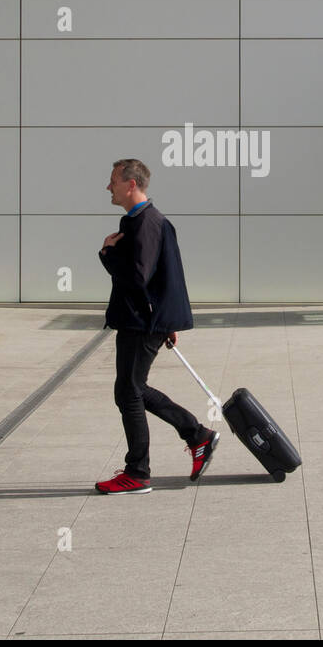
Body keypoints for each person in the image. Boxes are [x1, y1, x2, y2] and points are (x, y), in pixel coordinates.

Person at [96, 159, 218, 494]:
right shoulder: (141, 220)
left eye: (113, 181)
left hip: (140, 321)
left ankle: (138, 473)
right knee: (133, 389)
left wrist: (108, 253)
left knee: (129, 392)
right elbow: (164, 275)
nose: (108, 187)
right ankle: (197, 436)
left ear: (131, 184)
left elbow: (139, 275)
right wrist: (168, 320)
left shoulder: (146, 222)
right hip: (145, 319)